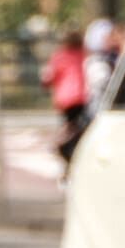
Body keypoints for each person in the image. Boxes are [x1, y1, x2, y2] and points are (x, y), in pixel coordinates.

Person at [43, 28, 91, 163]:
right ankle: (66, 146)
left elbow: (48, 77)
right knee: (76, 125)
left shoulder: (59, 57)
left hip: (66, 98)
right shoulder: (83, 55)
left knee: (70, 125)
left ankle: (62, 144)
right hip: (82, 96)